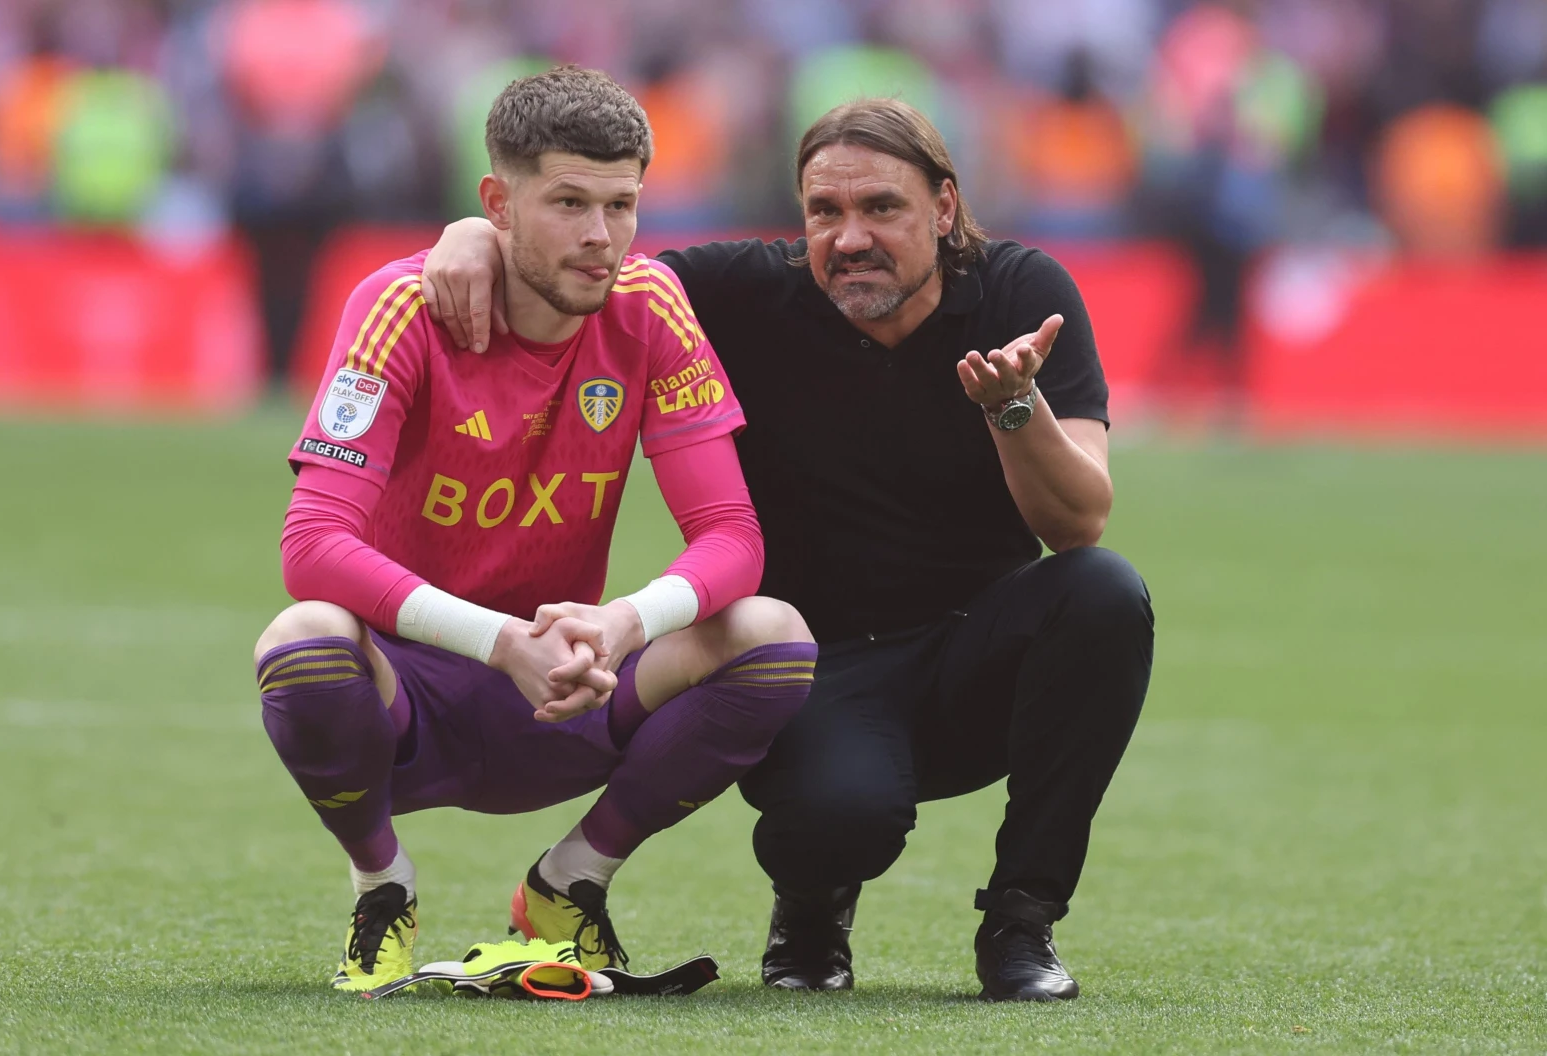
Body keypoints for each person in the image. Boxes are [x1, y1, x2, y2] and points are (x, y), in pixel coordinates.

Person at [421, 96, 1155, 1002]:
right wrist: (470, 234)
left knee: (1105, 594)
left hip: (975, 657)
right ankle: (810, 907)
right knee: (832, 823)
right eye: (824, 212)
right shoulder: (739, 292)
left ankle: (1021, 923)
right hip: (814, 664)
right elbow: (585, 260)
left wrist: (1011, 406)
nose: (849, 237)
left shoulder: (1021, 295)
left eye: (881, 207)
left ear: (945, 208)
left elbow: (1076, 524)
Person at [254, 66, 816, 993]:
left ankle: (571, 882)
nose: (601, 237)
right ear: (497, 204)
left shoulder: (649, 306)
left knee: (773, 633)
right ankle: (380, 885)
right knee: (303, 640)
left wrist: (622, 623)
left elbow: (732, 536)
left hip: (566, 680)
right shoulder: (400, 307)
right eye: (567, 203)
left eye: (622, 204)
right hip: (410, 695)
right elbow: (310, 546)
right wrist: (495, 638)